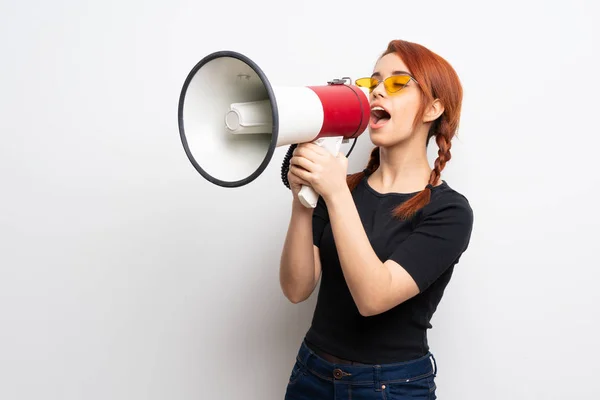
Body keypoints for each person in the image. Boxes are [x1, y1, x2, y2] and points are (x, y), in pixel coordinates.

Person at [279, 39, 474, 400]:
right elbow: (296, 289)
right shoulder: (344, 188)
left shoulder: (449, 212)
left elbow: (373, 297)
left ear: (433, 108)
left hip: (392, 387)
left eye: (399, 82)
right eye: (374, 81)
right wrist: (302, 203)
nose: (379, 90)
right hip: (311, 375)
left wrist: (335, 193)